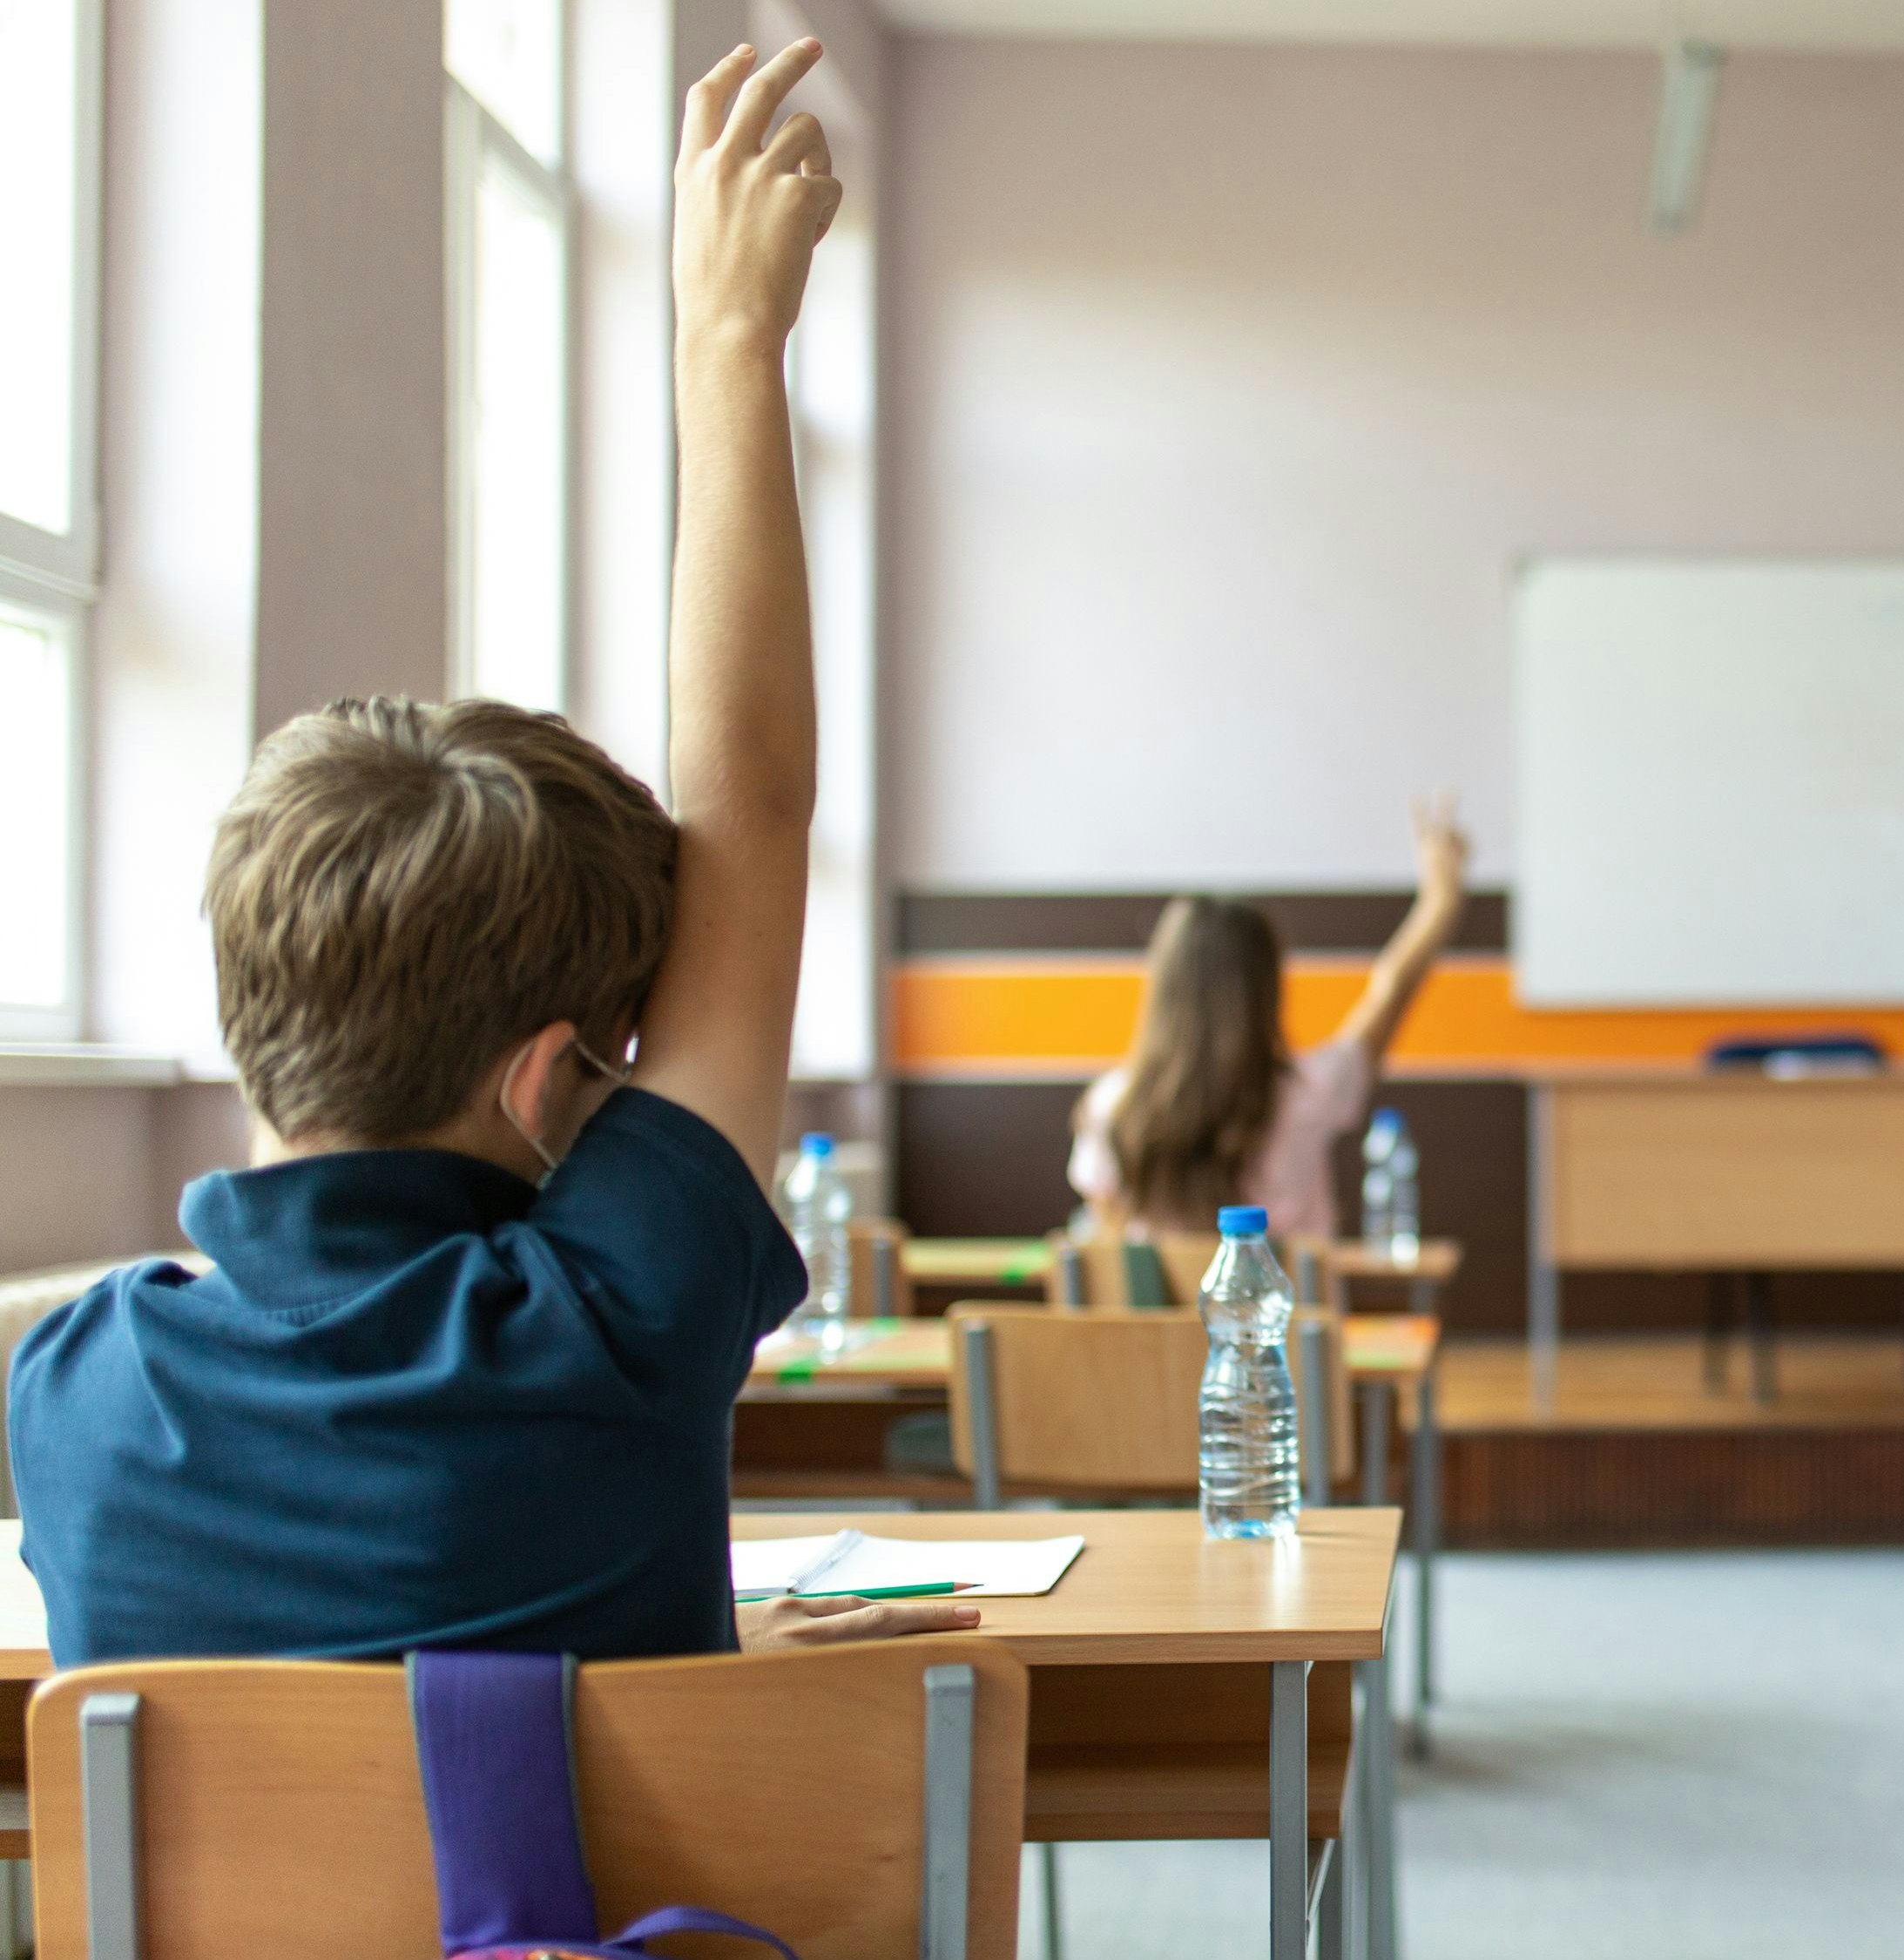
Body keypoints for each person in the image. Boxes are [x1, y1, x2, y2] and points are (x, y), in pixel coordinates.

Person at [9, 44, 960, 1665]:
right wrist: (729, 337)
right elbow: (755, 813)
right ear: (543, 1079)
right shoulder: (609, 1316)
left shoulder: (77, 1385)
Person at [1070, 798, 1469, 1238]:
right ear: (1267, 992)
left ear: (1163, 991)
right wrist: (1441, 900)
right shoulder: (1307, 1096)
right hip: (1296, 1309)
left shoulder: (1113, 1107)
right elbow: (1388, 994)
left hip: (1165, 1311)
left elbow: (1105, 1252)